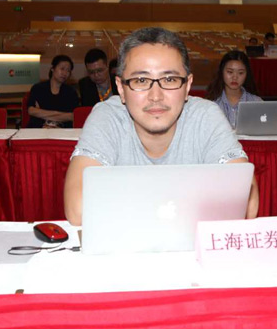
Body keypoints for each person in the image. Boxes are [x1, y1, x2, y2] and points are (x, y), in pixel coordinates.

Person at [64, 27, 259, 226]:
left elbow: (247, 203)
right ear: (121, 88)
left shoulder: (205, 116)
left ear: (187, 86)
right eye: (141, 80)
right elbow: (78, 209)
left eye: (169, 79)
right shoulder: (107, 117)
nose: (156, 96)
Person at [206, 50, 262, 129]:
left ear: (247, 74)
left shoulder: (257, 103)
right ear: (221, 72)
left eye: (240, 73)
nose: (235, 77)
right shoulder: (212, 103)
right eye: (230, 72)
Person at [27, 55, 79, 128]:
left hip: (62, 130)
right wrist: (61, 115)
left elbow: (72, 116)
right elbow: (31, 111)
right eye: (62, 69)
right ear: (52, 68)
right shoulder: (38, 88)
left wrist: (41, 112)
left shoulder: (71, 92)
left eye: (68, 70)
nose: (65, 73)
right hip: (38, 129)